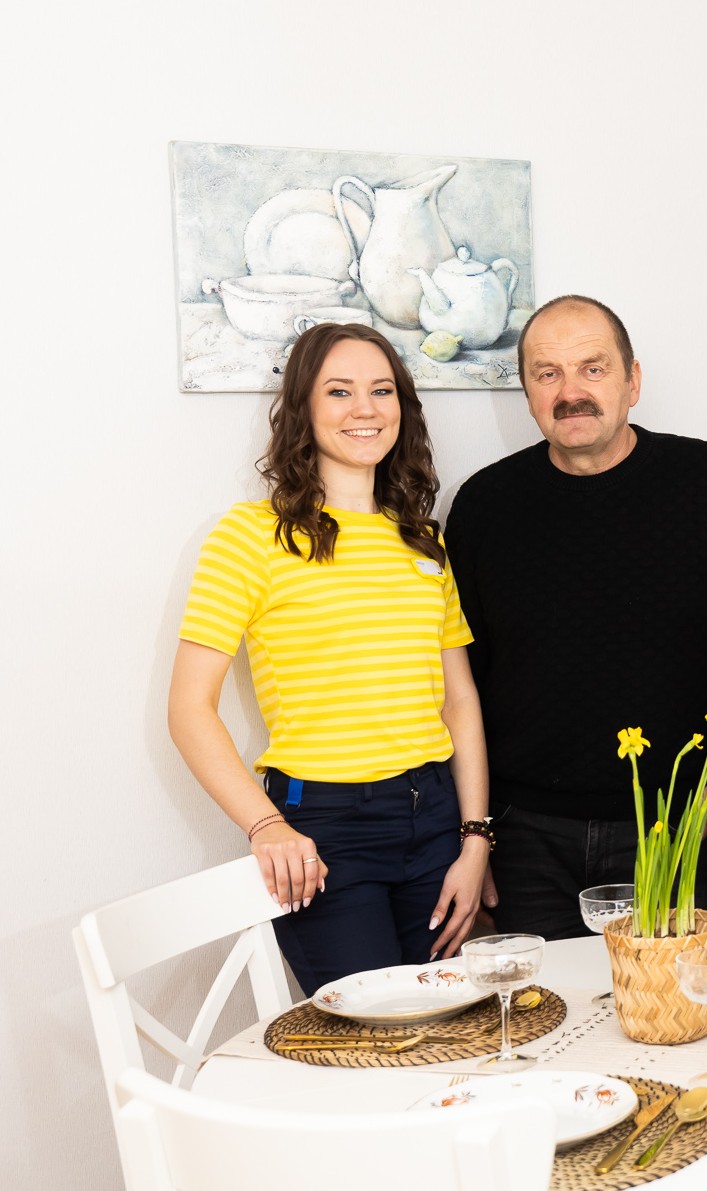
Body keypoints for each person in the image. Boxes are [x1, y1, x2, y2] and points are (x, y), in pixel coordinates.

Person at [444, 294, 707, 940]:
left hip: (680, 828)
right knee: (539, 1027)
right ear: (526, 393)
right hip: (527, 844)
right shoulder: (483, 507)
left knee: (676, 1025)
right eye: (547, 373)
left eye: (592, 368)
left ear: (633, 381)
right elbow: (460, 684)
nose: (570, 391)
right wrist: (475, 831)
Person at [168, 323, 490, 995]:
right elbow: (188, 708)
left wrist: (474, 838)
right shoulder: (249, 536)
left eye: (381, 390)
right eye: (338, 391)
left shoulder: (423, 541)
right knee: (372, 1046)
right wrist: (266, 826)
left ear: (403, 406)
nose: (364, 409)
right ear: (303, 410)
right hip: (324, 834)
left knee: (447, 1037)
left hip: (432, 819)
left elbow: (458, 699)